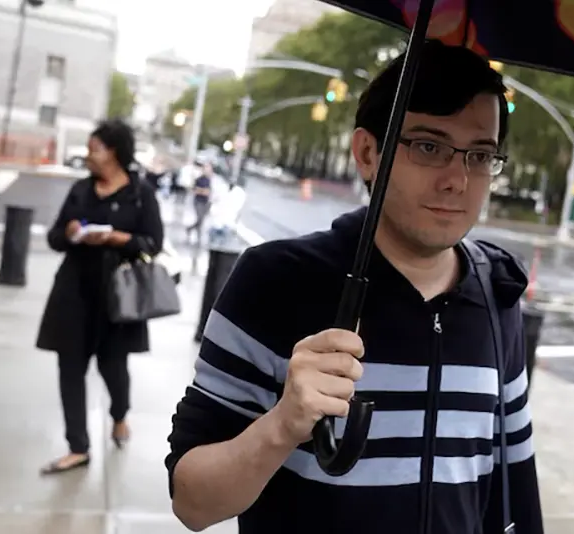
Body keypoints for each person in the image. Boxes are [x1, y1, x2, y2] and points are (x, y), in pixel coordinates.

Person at [166, 40, 540, 534]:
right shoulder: (274, 283)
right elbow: (193, 503)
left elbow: (514, 490)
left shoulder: (498, 296)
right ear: (368, 153)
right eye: (429, 147)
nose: (458, 180)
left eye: (479, 154)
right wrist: (283, 424)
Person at [36, 119, 164, 475]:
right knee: (70, 369)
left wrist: (116, 238)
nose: (88, 155)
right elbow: (54, 238)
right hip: (74, 293)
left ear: (115, 153)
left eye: (95, 149)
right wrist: (71, 232)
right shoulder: (80, 190)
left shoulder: (141, 194)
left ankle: (120, 415)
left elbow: (153, 243)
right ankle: (78, 446)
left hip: (118, 298)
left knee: (113, 367)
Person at [186, 162, 213, 242]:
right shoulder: (198, 179)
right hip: (198, 201)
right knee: (200, 218)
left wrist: (203, 191)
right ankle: (198, 237)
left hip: (206, 202)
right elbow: (195, 190)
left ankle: (190, 229)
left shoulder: (209, 180)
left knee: (201, 220)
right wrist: (202, 191)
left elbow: (209, 192)